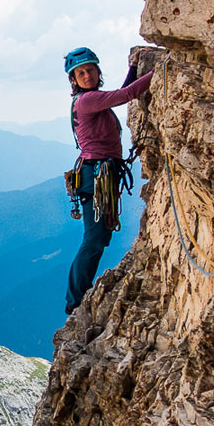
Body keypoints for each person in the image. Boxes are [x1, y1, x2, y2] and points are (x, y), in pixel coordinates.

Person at [63, 47, 153, 314]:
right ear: (74, 79)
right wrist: (159, 70)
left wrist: (134, 70)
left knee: (97, 237)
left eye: (90, 70)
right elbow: (127, 95)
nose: (87, 75)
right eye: (81, 72)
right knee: (94, 239)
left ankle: (77, 295)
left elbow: (121, 94)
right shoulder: (87, 101)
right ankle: (75, 300)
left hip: (99, 173)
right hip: (97, 175)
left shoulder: (91, 99)